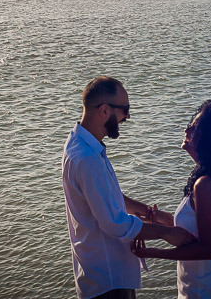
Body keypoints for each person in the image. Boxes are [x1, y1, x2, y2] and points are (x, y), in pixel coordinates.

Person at [63, 76, 195, 299]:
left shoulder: (79, 143)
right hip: (108, 281)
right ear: (104, 110)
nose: (128, 116)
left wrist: (148, 213)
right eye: (124, 109)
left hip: (100, 273)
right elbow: (114, 224)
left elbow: (106, 196)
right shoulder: (87, 158)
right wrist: (166, 233)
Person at [131, 99, 211, 299]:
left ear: (208, 139)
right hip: (208, 283)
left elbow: (209, 249)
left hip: (208, 289)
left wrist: (154, 252)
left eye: (193, 128)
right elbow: (196, 229)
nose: (186, 131)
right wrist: (161, 219)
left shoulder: (206, 185)